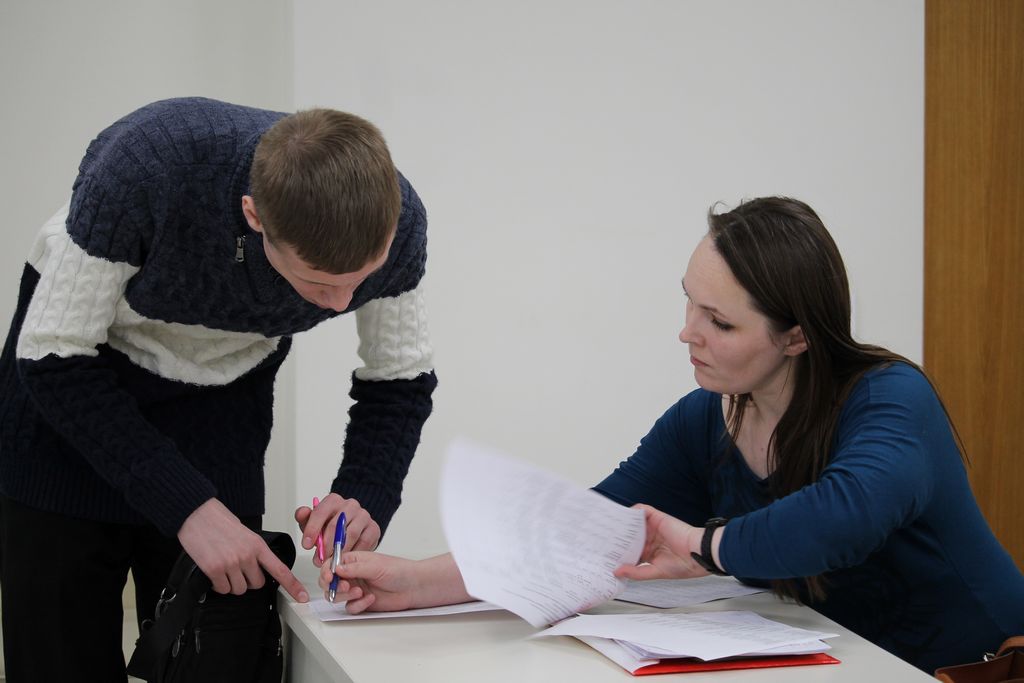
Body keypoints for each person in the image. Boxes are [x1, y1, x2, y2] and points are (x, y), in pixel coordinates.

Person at [320, 197, 1024, 673]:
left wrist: (702, 546)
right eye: (689, 302)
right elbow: (585, 531)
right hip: (848, 665)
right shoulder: (707, 418)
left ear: (797, 337)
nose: (687, 332)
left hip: (974, 664)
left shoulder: (891, 400)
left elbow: (839, 518)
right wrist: (415, 582)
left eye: (720, 322)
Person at [0, 97, 437, 681]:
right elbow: (54, 355)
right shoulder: (145, 166)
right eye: (318, 283)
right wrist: (188, 508)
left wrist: (364, 496)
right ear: (254, 217)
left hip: (222, 403)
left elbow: (400, 379)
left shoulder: (400, 221)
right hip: (70, 392)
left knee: (220, 654)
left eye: (362, 281)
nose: (341, 304)